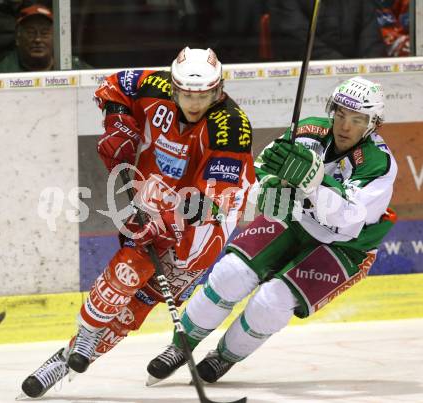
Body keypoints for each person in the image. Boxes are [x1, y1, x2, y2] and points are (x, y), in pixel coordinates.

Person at [19, 47, 256, 398]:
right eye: (187, 95)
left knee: (138, 305)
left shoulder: (231, 127)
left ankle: (69, 357)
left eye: (204, 95)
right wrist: (117, 123)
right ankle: (84, 337)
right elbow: (115, 85)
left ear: (218, 91)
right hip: (154, 194)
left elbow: (214, 199)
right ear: (173, 88)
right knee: (127, 270)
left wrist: (174, 218)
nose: (194, 103)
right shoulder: (154, 85)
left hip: (203, 228)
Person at [147, 76, 398, 385]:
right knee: (230, 273)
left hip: (347, 244)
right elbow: (260, 169)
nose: (345, 126)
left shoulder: (379, 164)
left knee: (272, 302)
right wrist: (267, 188)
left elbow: (348, 218)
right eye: (341, 115)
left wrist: (314, 183)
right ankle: (179, 347)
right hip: (296, 220)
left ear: (373, 123)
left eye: (357, 119)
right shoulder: (308, 131)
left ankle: (223, 357)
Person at [268, 0, 386, 60]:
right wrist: (344, 68)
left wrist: (367, 71)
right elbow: (296, 39)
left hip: (357, 81)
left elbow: (371, 40)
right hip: (304, 79)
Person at [0, 4, 90, 72]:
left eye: (44, 33)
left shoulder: (71, 66)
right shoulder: (5, 72)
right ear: (18, 38)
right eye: (31, 33)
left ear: (55, 38)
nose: (38, 39)